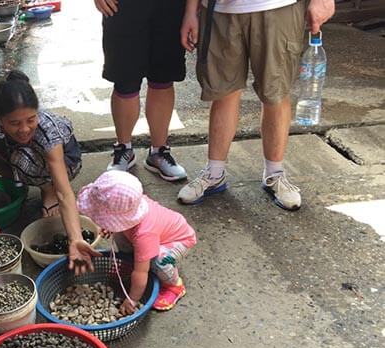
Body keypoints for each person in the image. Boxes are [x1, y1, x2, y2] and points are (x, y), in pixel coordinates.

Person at [178, 0, 336, 210]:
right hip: (220, 9)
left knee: (276, 92)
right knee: (223, 91)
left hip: (277, 7)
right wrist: (191, 11)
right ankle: (214, 172)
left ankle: (275, 174)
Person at [0, 70, 100, 275]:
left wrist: (75, 239)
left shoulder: (47, 131)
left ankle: (47, 189)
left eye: (31, 119)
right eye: (14, 123)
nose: (25, 129)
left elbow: (65, 193)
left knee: (22, 161)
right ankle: (17, 177)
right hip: (18, 151)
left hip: (67, 162)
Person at [77, 171, 197, 313]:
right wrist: (110, 226)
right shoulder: (133, 204)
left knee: (158, 262)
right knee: (120, 235)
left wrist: (133, 298)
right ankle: (129, 260)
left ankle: (174, 285)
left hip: (178, 240)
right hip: (153, 235)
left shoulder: (144, 234)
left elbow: (141, 272)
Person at [94, 0, 188, 181]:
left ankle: (158, 152)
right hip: (122, 6)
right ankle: (124, 148)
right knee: (125, 79)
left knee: (163, 78)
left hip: (170, 7)